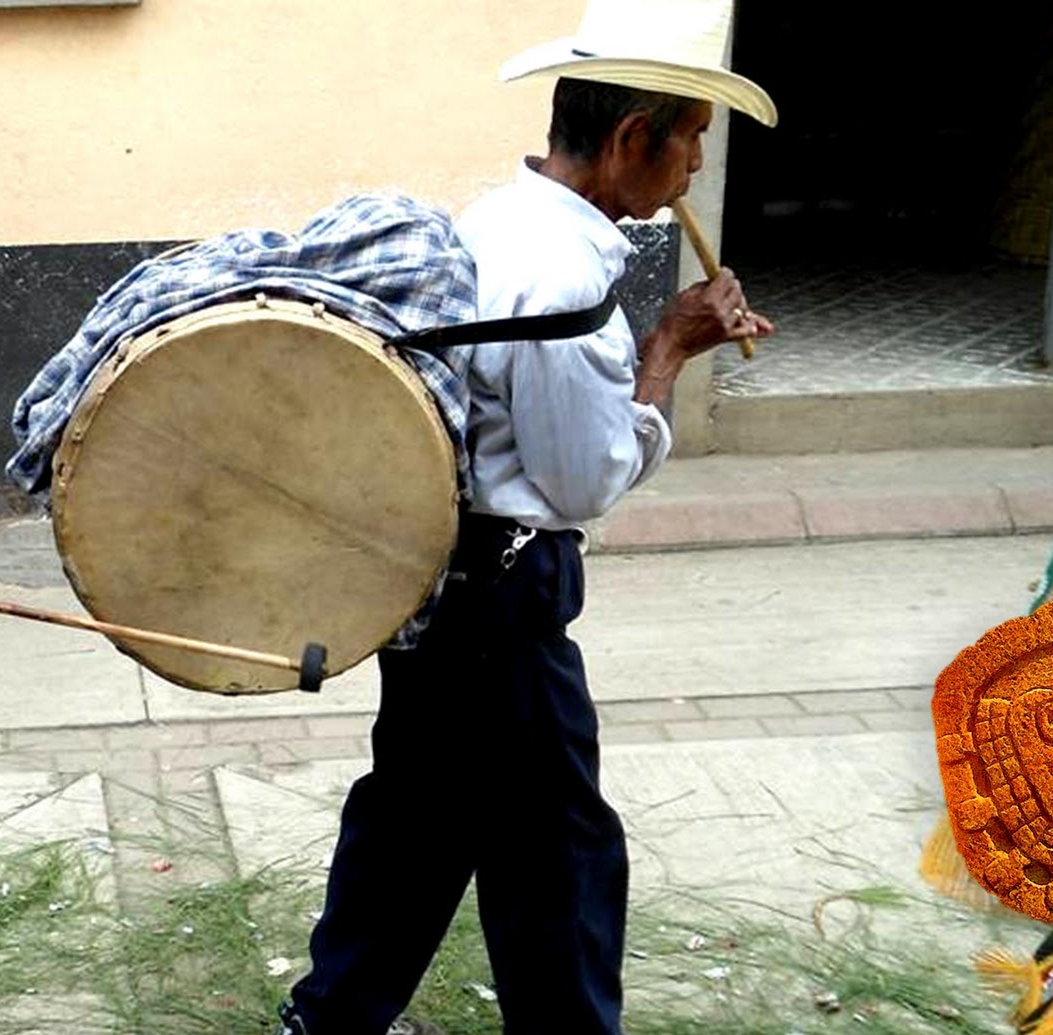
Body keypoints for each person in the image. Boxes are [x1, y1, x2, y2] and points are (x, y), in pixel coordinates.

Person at [280, 3, 776, 1033]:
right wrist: (667, 351)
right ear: (632, 137)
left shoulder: (501, 218)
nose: (694, 166)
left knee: (416, 823)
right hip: (500, 600)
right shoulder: (561, 275)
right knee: (556, 853)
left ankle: (329, 1019)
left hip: (439, 581)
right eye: (689, 138)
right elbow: (583, 481)